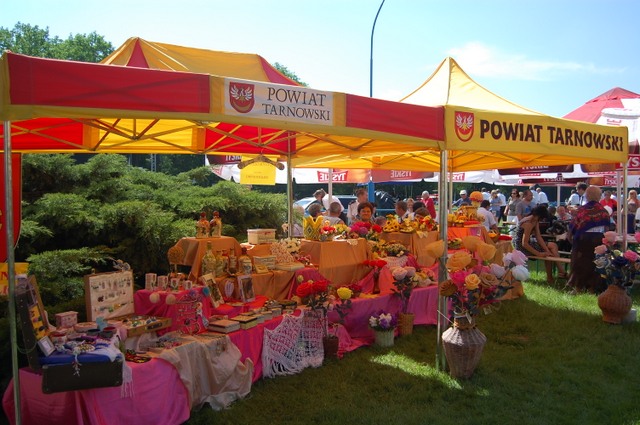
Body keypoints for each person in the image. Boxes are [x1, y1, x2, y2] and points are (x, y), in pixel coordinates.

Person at [567, 185, 611, 293]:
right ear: (599, 196)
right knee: (596, 263)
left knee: (581, 263)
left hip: (584, 240)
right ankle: (592, 288)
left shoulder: (582, 210)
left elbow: (573, 226)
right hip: (599, 239)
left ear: (587, 196)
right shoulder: (603, 211)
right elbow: (607, 228)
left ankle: (578, 287)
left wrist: (570, 237)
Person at [514, 205, 567, 284]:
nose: (542, 220)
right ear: (539, 215)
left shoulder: (535, 220)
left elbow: (538, 237)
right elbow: (524, 243)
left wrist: (546, 250)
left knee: (552, 246)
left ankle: (559, 272)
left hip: (528, 242)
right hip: (521, 247)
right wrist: (539, 254)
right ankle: (559, 273)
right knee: (549, 251)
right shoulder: (528, 223)